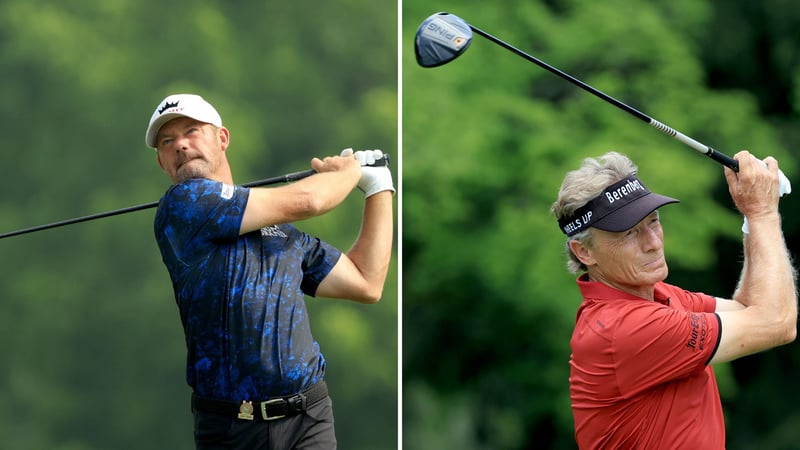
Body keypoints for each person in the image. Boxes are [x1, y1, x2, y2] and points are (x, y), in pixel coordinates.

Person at [144, 93, 395, 449]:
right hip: (230, 430)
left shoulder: (281, 232)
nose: (180, 145)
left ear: (222, 138)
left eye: (191, 131)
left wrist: (378, 187)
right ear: (161, 162)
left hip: (308, 418)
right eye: (167, 142)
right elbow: (308, 201)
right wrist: (349, 171)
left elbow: (366, 282)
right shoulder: (182, 207)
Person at [551, 151, 796, 449]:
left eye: (653, 221)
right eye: (629, 233)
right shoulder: (624, 328)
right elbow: (776, 322)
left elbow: (751, 309)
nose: (653, 243)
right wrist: (763, 214)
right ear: (584, 252)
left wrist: (750, 217)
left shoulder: (658, 297)